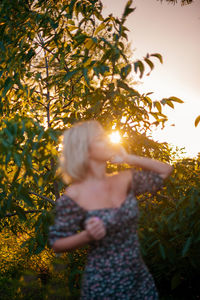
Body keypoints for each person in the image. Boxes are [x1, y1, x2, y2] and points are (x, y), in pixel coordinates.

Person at [48, 120, 173, 299]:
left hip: (140, 281)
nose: (108, 142)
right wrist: (87, 236)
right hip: (103, 285)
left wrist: (129, 158)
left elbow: (165, 170)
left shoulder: (124, 179)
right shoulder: (74, 194)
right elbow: (57, 243)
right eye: (100, 139)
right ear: (85, 149)